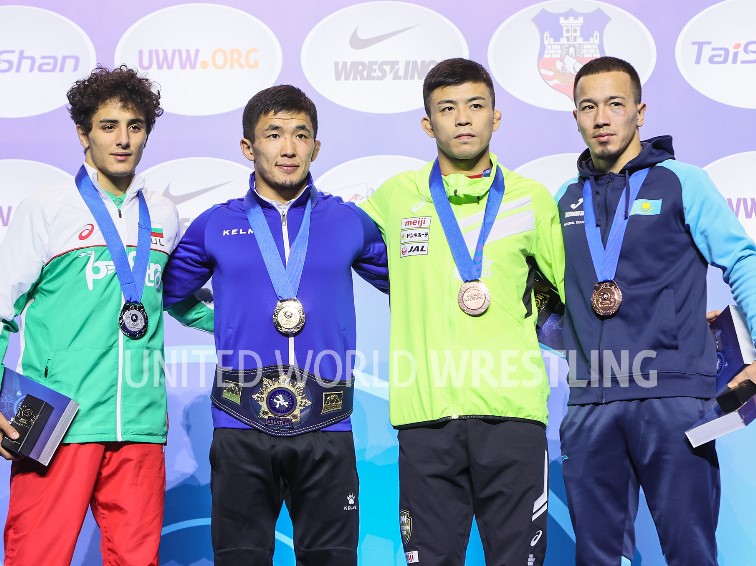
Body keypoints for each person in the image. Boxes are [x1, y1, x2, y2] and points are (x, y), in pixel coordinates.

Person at [161, 84, 389, 566]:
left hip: (327, 423)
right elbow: (165, 293)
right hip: (239, 423)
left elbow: (413, 284)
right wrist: (220, 321)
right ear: (249, 147)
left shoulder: (348, 221)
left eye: (300, 135)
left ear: (316, 147)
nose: (288, 148)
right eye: (274, 134)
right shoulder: (215, 224)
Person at [0, 65, 211, 565]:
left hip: (139, 421)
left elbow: (174, 298)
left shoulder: (163, 214)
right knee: (36, 556)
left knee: (137, 560)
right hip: (54, 419)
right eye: (108, 126)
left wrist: (252, 321)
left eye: (135, 126)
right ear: (83, 133)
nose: (123, 140)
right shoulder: (45, 208)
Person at [360, 58, 565, 566]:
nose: (463, 118)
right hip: (426, 419)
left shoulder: (531, 199)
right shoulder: (395, 198)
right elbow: (331, 247)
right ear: (427, 123)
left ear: (496, 116)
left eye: (476, 105)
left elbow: (577, 293)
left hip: (513, 417)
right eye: (447, 108)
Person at [556, 55, 756, 565]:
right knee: (598, 559)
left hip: (673, 397)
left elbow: (741, 260)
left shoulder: (683, 181)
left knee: (690, 553)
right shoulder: (563, 199)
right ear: (575, 117)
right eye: (588, 107)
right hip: (590, 403)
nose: (602, 118)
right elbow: (552, 296)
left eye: (615, 104)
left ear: (639, 112)